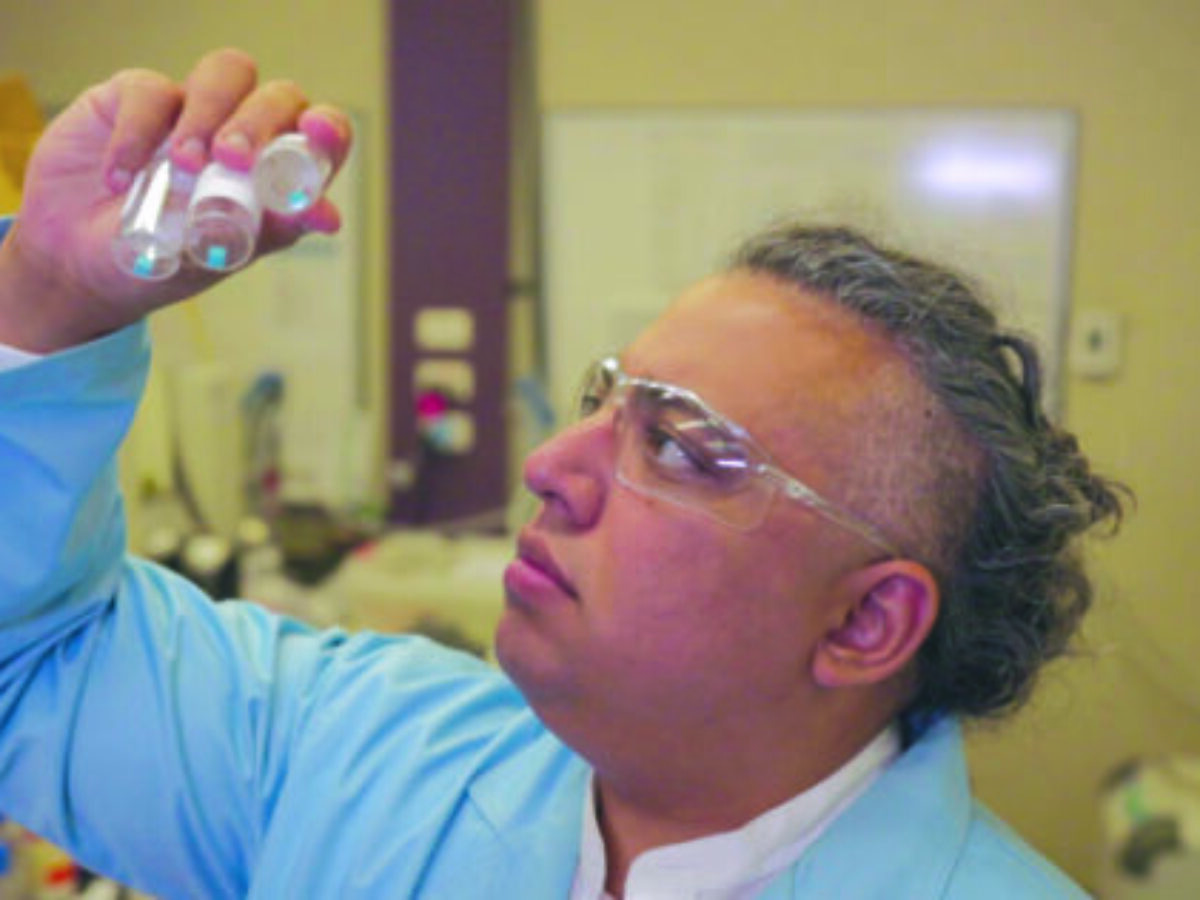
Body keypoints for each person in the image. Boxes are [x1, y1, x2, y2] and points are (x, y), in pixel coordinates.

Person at [0, 50, 1126, 899]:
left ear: (866, 621)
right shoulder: (361, 751)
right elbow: (32, 663)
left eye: (678, 446)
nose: (547, 466)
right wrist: (48, 294)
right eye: (604, 401)